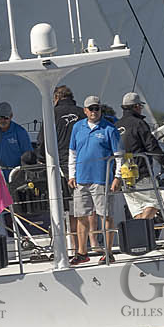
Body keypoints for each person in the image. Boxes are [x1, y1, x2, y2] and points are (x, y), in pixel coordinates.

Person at [67, 95, 122, 264]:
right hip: (81, 179)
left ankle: (108, 251)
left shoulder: (110, 129)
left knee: (105, 215)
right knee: (81, 216)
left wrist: (118, 177)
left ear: (100, 110)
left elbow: (119, 156)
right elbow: (72, 153)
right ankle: (82, 252)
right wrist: (72, 174)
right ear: (85, 111)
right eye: (90, 109)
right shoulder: (77, 127)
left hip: (102, 179)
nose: (94, 112)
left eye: (96, 108)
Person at [113, 91, 164, 223]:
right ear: (136, 106)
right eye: (140, 106)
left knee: (138, 210)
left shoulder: (115, 126)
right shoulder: (139, 123)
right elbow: (152, 146)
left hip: (124, 175)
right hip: (141, 171)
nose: (141, 109)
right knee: (155, 203)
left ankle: (141, 240)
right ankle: (142, 230)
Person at [0, 102, 32, 171]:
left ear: (11, 116)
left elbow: (28, 155)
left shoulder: (20, 132)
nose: (2, 120)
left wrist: (21, 174)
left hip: (18, 174)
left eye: (6, 118)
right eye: (0, 118)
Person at [54, 85, 87, 157]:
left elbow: (43, 140)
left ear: (57, 97)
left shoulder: (52, 114)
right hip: (82, 157)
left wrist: (43, 159)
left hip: (61, 159)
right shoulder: (83, 113)